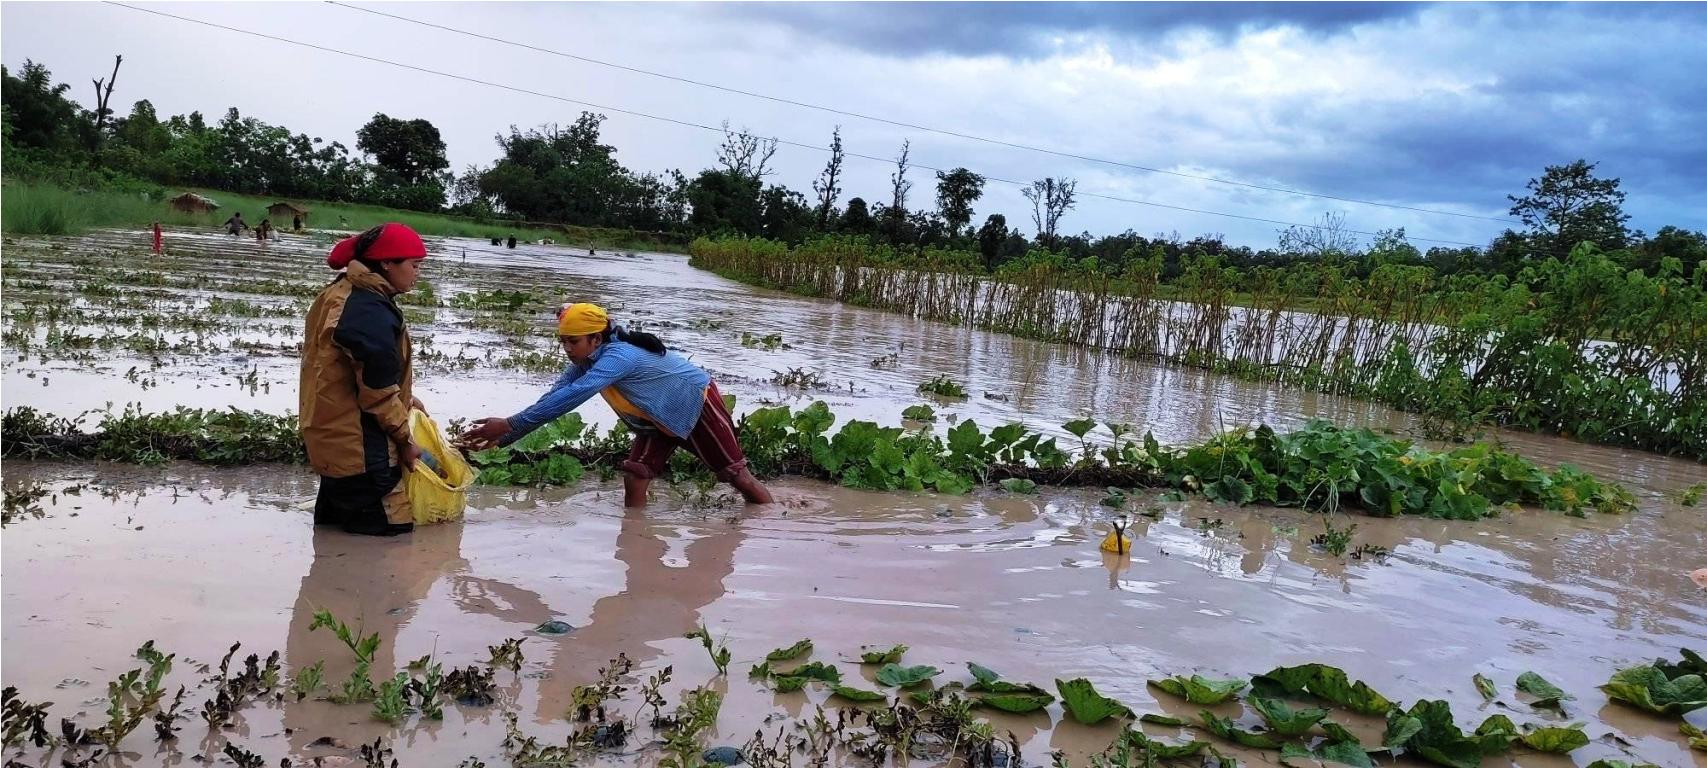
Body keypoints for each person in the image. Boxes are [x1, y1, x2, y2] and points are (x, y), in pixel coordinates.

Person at [461, 303, 773, 508]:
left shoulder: (618, 358)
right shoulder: (585, 361)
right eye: (564, 342)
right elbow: (555, 396)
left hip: (694, 402)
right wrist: (506, 435)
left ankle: (767, 525)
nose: (568, 349)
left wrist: (511, 423)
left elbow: (574, 396)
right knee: (636, 474)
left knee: (736, 475)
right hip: (656, 416)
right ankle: (635, 538)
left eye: (574, 342)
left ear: (596, 339)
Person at [299, 222, 430, 536]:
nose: (417, 274)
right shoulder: (368, 310)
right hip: (362, 452)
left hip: (331, 440)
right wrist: (406, 440)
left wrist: (405, 398)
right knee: (390, 547)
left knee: (331, 542)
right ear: (386, 263)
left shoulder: (340, 293)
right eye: (413, 265)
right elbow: (378, 393)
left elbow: (338, 370)